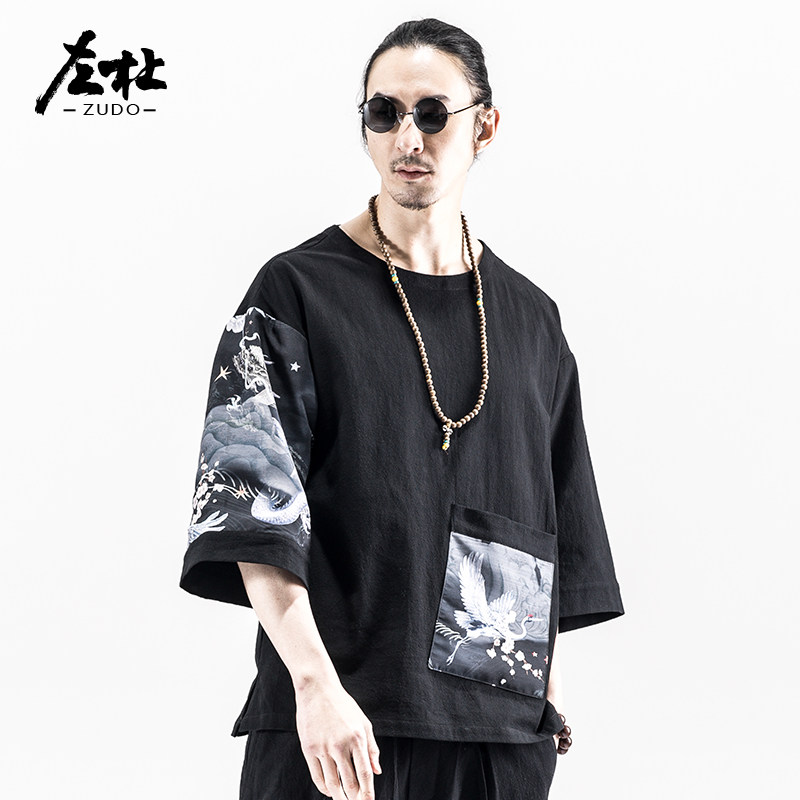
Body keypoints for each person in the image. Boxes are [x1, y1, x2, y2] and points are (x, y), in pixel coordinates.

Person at [179, 17, 624, 800]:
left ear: (485, 126)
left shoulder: (531, 320)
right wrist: (314, 687)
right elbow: (252, 514)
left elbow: (555, 528)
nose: (407, 137)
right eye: (384, 113)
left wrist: (545, 691)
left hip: (493, 740)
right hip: (336, 732)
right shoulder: (295, 292)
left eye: (432, 113)